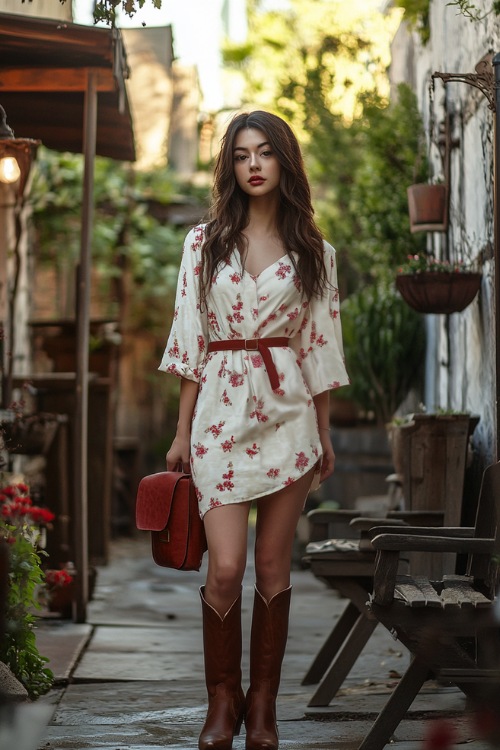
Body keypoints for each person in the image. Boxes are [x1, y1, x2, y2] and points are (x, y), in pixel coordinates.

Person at [159, 110, 349, 750]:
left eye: (266, 153)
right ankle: (222, 700)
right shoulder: (203, 243)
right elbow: (190, 342)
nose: (255, 165)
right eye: (242, 155)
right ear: (230, 167)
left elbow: (319, 348)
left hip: (289, 417)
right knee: (225, 568)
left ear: (284, 161)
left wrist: (324, 433)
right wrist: (182, 433)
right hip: (218, 418)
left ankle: (262, 705)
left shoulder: (314, 253)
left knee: (272, 564)